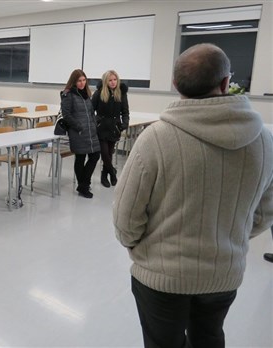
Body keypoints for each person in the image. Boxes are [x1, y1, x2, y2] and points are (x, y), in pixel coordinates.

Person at [113, 43, 273, 348]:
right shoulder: (265, 140)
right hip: (223, 273)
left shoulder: (154, 139)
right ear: (226, 83)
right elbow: (265, 214)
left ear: (175, 86)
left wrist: (139, 245)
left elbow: (125, 217)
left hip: (161, 276)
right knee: (209, 338)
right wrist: (228, 237)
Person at [60, 69, 100, 198]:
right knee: (80, 158)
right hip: (78, 131)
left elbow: (90, 112)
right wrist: (79, 126)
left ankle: (83, 184)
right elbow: (66, 115)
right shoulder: (68, 94)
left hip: (90, 131)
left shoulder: (86, 94)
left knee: (95, 155)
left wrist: (94, 125)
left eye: (84, 80)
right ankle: (84, 186)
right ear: (74, 81)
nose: (82, 83)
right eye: (79, 81)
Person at [91, 69, 129, 188]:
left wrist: (124, 124)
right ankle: (112, 173)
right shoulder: (99, 93)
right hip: (101, 128)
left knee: (110, 152)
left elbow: (125, 112)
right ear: (105, 81)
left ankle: (104, 175)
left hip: (114, 127)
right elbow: (91, 111)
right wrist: (96, 122)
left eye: (115, 79)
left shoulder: (121, 93)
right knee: (104, 153)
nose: (113, 82)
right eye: (110, 80)